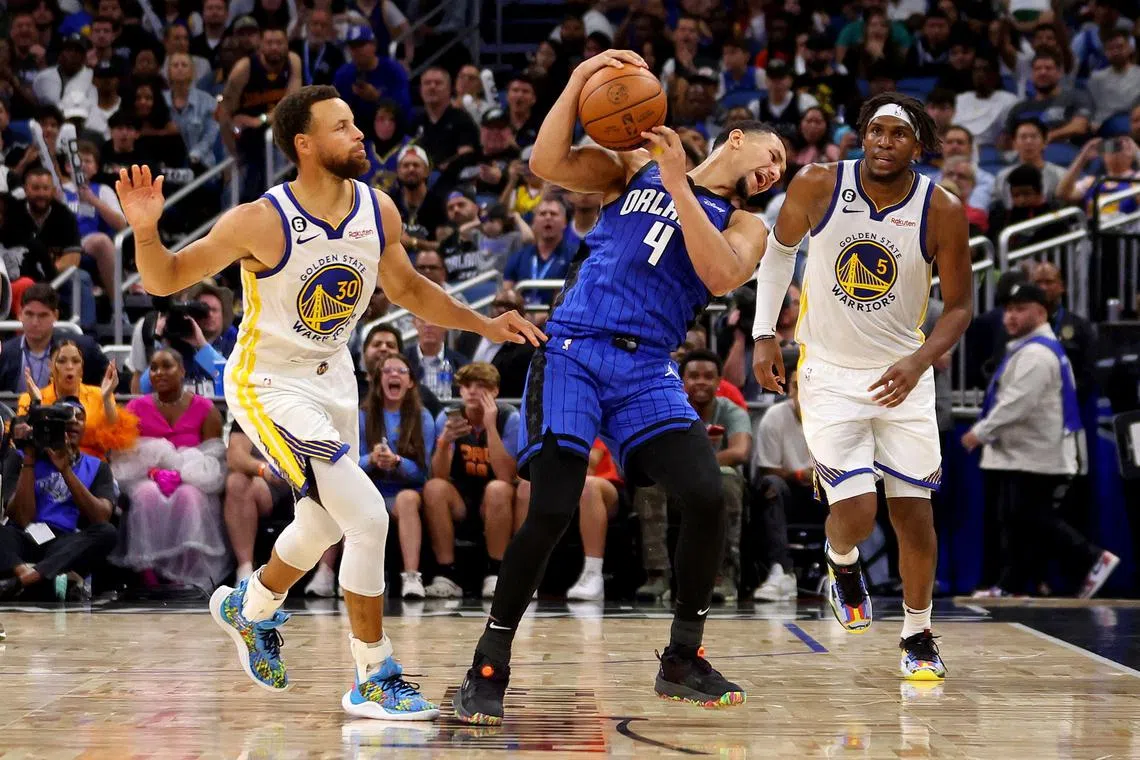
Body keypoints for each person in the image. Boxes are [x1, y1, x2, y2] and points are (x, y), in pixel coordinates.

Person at [114, 85, 542, 719]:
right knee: (368, 517)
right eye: (342, 127)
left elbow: (408, 289)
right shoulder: (260, 218)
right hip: (269, 383)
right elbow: (165, 278)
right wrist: (147, 232)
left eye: (357, 123)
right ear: (304, 144)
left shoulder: (379, 209)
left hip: (334, 379)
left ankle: (249, 608)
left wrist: (484, 325)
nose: (359, 134)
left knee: (320, 523)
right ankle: (373, 674)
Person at [450, 49, 784, 724]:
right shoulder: (632, 168)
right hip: (575, 348)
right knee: (549, 507)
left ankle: (682, 658)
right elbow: (547, 162)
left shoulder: (749, 223)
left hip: (648, 367)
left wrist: (681, 185)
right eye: (772, 154)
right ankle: (488, 665)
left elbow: (720, 277)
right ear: (738, 138)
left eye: (783, 170)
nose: (776, 171)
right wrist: (578, 82)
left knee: (705, 493)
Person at [751, 92, 973, 680]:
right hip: (827, 372)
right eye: (875, 131)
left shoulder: (941, 209)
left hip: (903, 374)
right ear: (862, 136)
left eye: (897, 135)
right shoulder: (818, 183)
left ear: (918, 146)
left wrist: (919, 362)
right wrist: (764, 333)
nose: (883, 142)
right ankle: (841, 562)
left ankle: (918, 633)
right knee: (855, 508)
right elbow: (778, 255)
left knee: (914, 515)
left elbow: (959, 308)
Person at [961, 283, 1119, 598]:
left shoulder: (1036, 353)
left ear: (1041, 312)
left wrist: (980, 432)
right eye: (1008, 309)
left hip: (1034, 454)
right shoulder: (1029, 348)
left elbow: (1017, 403)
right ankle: (1010, 585)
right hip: (1025, 452)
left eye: (1020, 309)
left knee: (1031, 518)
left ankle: (1092, 557)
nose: (1010, 316)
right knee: (1017, 522)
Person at [112, 350, 229, 591]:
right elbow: (127, 458)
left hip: (194, 478)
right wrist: (155, 472)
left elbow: (213, 459)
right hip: (145, 476)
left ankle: (188, 572)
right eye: (153, 368)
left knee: (189, 496)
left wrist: (181, 471)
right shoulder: (135, 407)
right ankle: (148, 571)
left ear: (182, 371)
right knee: (146, 494)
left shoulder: (206, 410)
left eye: (167, 366)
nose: (159, 373)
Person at [0, 399, 118, 601]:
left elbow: (101, 516)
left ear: (84, 428)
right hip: (23, 536)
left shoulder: (98, 467)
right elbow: (22, 518)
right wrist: (29, 460)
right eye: (63, 423)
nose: (72, 424)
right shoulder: (19, 457)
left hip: (64, 542)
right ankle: (33, 576)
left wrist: (65, 469)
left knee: (106, 532)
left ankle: (28, 579)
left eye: (79, 419)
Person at [422, 362, 519, 600]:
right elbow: (440, 476)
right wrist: (444, 443)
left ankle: (495, 572)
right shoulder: (449, 418)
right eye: (466, 386)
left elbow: (507, 475)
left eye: (481, 386)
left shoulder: (509, 417)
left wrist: (490, 427)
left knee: (497, 489)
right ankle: (446, 573)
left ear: (495, 391)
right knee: (434, 488)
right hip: (462, 497)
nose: (472, 391)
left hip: (498, 498)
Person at [359, 353, 436, 599]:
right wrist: (370, 460)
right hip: (371, 489)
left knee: (406, 500)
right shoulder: (362, 415)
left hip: (407, 492)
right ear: (378, 380)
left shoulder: (423, 418)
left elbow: (424, 473)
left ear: (411, 382)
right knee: (351, 497)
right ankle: (354, 578)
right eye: (387, 371)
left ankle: (412, 576)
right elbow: (350, 466)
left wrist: (398, 462)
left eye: (401, 371)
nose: (394, 375)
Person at [680, 349, 752, 602]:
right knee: (649, 487)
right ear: (682, 381)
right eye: (694, 376)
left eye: (709, 376)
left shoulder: (732, 412)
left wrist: (695, 465)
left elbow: (740, 451)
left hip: (717, 483)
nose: (701, 381)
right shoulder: (670, 410)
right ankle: (656, 576)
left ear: (719, 382)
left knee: (728, 479)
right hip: (677, 485)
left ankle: (725, 576)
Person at [17, 340, 136, 461]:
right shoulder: (30, 398)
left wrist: (106, 398)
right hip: (47, 464)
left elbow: (116, 436)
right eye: (61, 361)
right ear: (50, 366)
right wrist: (36, 404)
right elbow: (23, 439)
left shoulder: (100, 395)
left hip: (92, 466)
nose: (69, 367)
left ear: (82, 367)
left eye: (75, 361)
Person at [750, 367, 808, 602]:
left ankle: (841, 573)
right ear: (789, 389)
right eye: (797, 385)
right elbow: (767, 468)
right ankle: (780, 571)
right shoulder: (775, 416)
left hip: (824, 492)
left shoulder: (835, 418)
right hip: (789, 491)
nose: (803, 392)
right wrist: (797, 475)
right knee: (770, 485)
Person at [0, 284, 110, 394]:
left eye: (43, 315)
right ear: (20, 315)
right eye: (29, 314)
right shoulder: (4, 352)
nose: (35, 322)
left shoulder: (84, 349)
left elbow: (114, 382)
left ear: (55, 316)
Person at [224, 420, 295, 582]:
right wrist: (262, 468)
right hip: (269, 481)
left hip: (306, 478)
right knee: (236, 482)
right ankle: (245, 570)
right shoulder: (250, 408)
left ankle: (325, 575)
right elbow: (235, 456)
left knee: (331, 481)